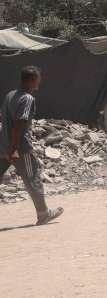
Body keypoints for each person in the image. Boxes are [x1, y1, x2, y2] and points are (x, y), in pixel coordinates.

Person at [0, 66, 64, 225]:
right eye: (39, 79)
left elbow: (2, 117)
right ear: (34, 80)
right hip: (20, 149)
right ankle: (43, 213)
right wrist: (14, 149)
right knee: (32, 178)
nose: (39, 82)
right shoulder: (27, 99)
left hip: (2, 145)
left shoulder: (10, 95)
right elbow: (19, 124)